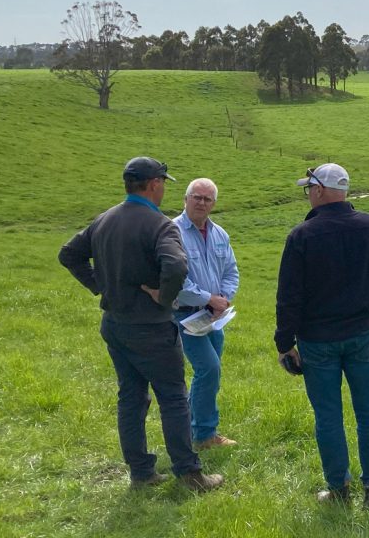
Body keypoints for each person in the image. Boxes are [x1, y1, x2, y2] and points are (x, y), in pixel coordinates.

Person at [58, 157, 224, 492]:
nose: (163, 188)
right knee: (174, 398)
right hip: (151, 327)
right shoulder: (160, 225)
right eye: (163, 182)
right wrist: (164, 297)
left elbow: (68, 254)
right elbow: (176, 266)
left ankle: (141, 473)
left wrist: (98, 285)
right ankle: (190, 474)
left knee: (131, 397)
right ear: (154, 184)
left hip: (116, 324)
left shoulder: (104, 219)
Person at [274, 163, 369, 507]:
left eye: (308, 189)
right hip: (362, 332)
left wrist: (285, 343)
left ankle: (338, 490)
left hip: (317, 339)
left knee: (328, 415)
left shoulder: (301, 236)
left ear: (319, 190)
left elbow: (289, 296)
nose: (308, 195)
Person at [171, 178, 240, 451]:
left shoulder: (220, 234)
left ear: (213, 204)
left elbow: (231, 271)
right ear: (185, 199)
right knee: (208, 369)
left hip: (213, 317)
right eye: (196, 197)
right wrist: (207, 298)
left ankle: (192, 428)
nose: (201, 202)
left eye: (207, 199)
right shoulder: (172, 232)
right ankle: (204, 435)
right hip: (185, 316)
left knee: (210, 371)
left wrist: (223, 298)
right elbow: (175, 279)